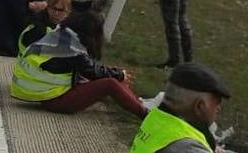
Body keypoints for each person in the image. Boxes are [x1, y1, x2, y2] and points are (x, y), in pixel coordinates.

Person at [10, 8, 146, 119]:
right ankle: (145, 115)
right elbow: (92, 71)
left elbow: (89, 68)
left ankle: (139, 103)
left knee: (115, 79)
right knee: (110, 84)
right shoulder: (71, 48)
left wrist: (118, 74)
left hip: (43, 93)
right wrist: (119, 73)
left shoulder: (61, 35)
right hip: (53, 99)